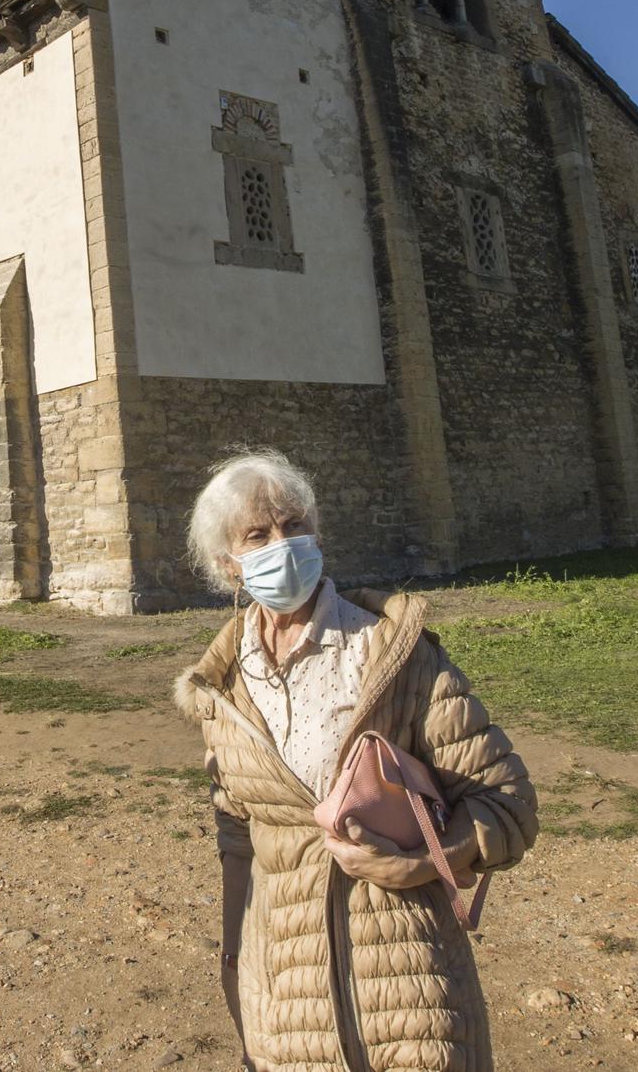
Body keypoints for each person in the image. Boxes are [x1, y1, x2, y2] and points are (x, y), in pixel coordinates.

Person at [173, 449, 537, 1072]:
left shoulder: (389, 654)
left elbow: (506, 803)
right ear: (228, 567)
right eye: (259, 534)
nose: (283, 543)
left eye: (294, 525)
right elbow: (237, 837)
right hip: (287, 995)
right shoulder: (223, 688)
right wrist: (236, 960)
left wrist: (429, 860)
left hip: (410, 984)